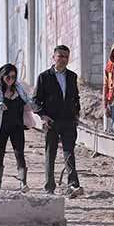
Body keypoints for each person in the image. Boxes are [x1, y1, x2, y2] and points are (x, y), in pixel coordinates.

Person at [33, 45, 83, 197]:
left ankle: (73, 185)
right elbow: (35, 100)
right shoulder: (44, 77)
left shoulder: (72, 76)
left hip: (68, 121)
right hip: (52, 122)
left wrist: (76, 113)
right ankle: (49, 186)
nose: (63, 59)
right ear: (54, 57)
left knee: (69, 153)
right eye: (60, 56)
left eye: (66, 56)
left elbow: (75, 97)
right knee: (51, 154)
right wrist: (43, 116)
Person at [0, 63, 36, 192]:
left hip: (17, 127)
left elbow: (29, 101)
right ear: (2, 76)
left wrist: (29, 105)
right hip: (0, 128)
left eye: (13, 77)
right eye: (7, 77)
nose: (10, 79)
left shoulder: (19, 89)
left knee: (19, 153)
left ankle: (23, 182)